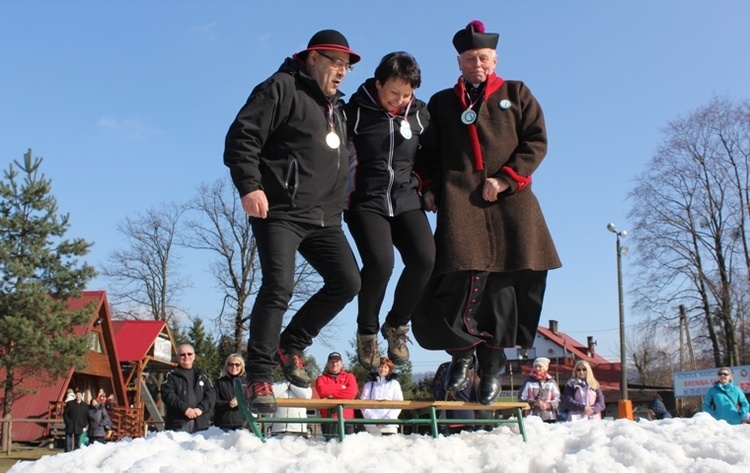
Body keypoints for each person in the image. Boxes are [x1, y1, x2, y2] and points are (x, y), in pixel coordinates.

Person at [412, 19, 561, 406]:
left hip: (511, 204)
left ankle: (492, 364)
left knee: (505, 287)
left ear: (494, 59)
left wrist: (507, 178)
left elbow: (536, 140)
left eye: (483, 57)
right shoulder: (443, 102)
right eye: (468, 58)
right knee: (458, 280)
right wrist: (427, 188)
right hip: (460, 202)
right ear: (458, 62)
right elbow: (426, 153)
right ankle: (461, 356)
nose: (476, 64)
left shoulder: (517, 92)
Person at [223, 29, 362, 414]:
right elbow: (242, 137)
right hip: (279, 210)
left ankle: (292, 343)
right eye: (336, 62)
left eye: (346, 66)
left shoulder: (337, 108)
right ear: (313, 57)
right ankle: (259, 377)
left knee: (347, 281)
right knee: (279, 285)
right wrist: (250, 186)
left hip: (324, 218)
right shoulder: (280, 88)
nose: (342, 72)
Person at [344, 51, 435, 370]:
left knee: (425, 258)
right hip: (365, 200)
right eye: (393, 92)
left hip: (406, 199)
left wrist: (429, 186)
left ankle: (396, 325)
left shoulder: (420, 115)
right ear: (378, 83)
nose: (399, 100)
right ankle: (367, 331)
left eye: (406, 94)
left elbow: (431, 156)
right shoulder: (354, 111)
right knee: (381, 262)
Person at [160, 344, 216, 433]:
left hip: (201, 425)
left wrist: (200, 409)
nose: (186, 356)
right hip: (178, 425)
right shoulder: (171, 375)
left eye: (189, 354)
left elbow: (211, 395)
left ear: (194, 356)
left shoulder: (203, 376)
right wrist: (185, 409)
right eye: (182, 354)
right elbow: (168, 395)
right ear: (177, 357)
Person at [431, 360, 490, 435]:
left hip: (450, 418)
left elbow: (436, 394)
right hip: (468, 418)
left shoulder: (444, 369)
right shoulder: (472, 375)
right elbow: (479, 397)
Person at [315, 352, 358, 437]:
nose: (334, 364)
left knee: (348, 446)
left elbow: (352, 392)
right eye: (332, 362)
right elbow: (322, 391)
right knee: (330, 447)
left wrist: (331, 395)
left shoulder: (350, 377)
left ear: (341, 364)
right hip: (329, 419)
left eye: (337, 361)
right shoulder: (321, 378)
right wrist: (341, 387)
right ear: (327, 364)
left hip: (347, 418)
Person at [360, 357, 403, 435]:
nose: (383, 369)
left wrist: (386, 420)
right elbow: (363, 404)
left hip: (389, 426)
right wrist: (373, 420)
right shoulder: (369, 385)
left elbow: (399, 403)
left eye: (385, 367)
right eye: (380, 366)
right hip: (372, 426)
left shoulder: (394, 384)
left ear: (389, 369)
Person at [518, 357, 561, 422]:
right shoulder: (528, 381)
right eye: (536, 366)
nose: (537, 368)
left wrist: (547, 405)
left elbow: (558, 400)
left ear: (545, 368)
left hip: (549, 417)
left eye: (540, 366)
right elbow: (521, 398)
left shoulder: (551, 382)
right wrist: (534, 403)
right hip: (531, 417)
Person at [213, 354, 246, 431]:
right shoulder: (220, 382)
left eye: (237, 364)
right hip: (223, 424)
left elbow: (252, 400)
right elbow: (214, 401)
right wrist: (228, 404)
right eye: (231, 364)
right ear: (226, 366)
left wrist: (240, 402)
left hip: (242, 424)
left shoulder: (247, 382)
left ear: (242, 366)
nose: (234, 367)